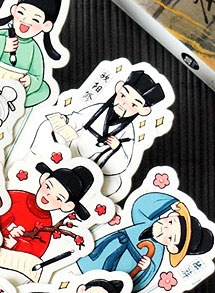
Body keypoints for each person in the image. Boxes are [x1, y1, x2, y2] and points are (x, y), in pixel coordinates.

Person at [34, 69, 166, 197]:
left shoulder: (128, 132)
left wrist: (117, 148)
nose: (124, 103)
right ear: (118, 89)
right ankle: (37, 159)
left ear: (143, 111)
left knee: (114, 184)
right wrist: (66, 120)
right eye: (123, 96)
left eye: (133, 104)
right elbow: (79, 118)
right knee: (47, 126)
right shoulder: (99, 109)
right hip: (74, 147)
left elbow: (123, 162)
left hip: (94, 167)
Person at [78, 192, 215, 292]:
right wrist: (170, 202)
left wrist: (146, 268)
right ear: (172, 215)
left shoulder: (156, 255)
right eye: (170, 222)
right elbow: (140, 205)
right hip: (108, 245)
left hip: (120, 268)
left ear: (172, 248)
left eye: (170, 237)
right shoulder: (147, 222)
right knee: (82, 263)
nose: (165, 229)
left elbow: (143, 282)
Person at [0, 161, 94, 259]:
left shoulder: (46, 224)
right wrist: (9, 226)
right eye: (48, 186)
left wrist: (17, 244)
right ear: (44, 179)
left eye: (58, 198)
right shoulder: (18, 197)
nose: (48, 195)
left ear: (67, 206)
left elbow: (36, 251)